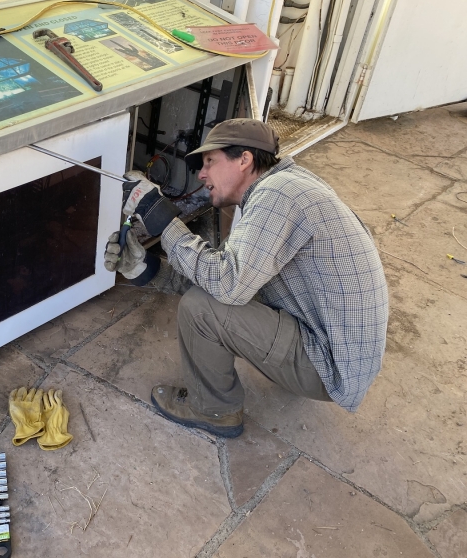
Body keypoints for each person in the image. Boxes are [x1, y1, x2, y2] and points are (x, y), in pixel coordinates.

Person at [104, 118, 388, 438]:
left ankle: (214, 410)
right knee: (216, 293)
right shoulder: (279, 190)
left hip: (329, 367)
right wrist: (147, 269)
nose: (201, 174)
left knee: (200, 310)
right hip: (332, 348)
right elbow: (219, 275)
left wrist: (158, 213)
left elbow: (225, 286)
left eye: (210, 161)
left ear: (244, 159)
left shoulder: (279, 194)